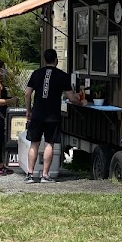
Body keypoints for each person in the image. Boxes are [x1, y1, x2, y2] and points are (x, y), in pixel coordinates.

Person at [24, 49, 82, 183]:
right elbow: (71, 98)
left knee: (34, 143)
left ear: (45, 60)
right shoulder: (62, 75)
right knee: (49, 144)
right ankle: (45, 175)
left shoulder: (36, 73)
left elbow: (27, 93)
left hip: (37, 113)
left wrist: (29, 110)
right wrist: (81, 102)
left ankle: (30, 175)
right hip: (52, 115)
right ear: (56, 60)